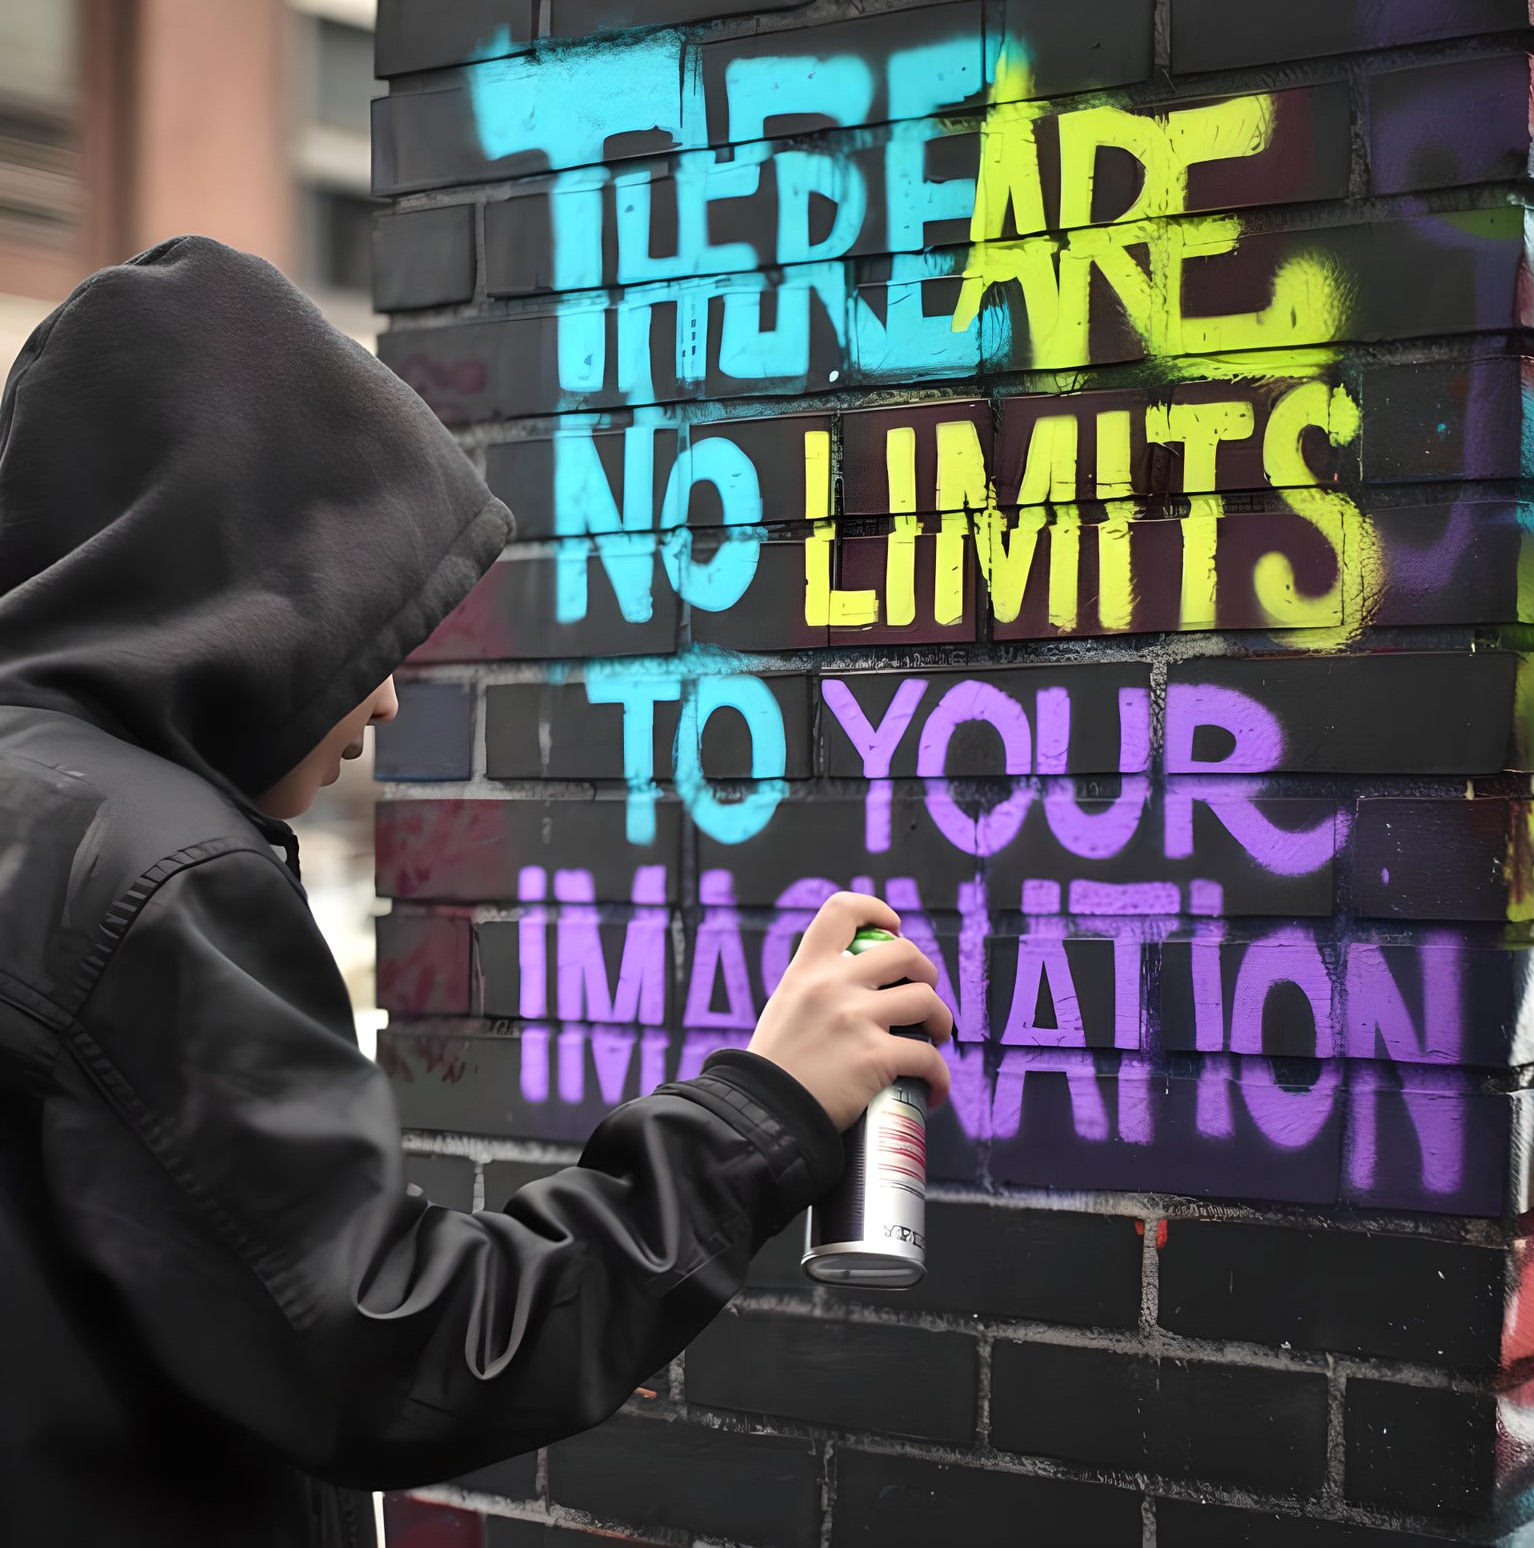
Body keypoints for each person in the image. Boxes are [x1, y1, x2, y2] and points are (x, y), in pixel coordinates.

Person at [0, 236, 954, 1548]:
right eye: (346, 618)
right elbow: (389, 1346)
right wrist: (762, 1109)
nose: (383, 693)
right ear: (226, 587)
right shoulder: (157, 877)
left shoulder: (39, 816)